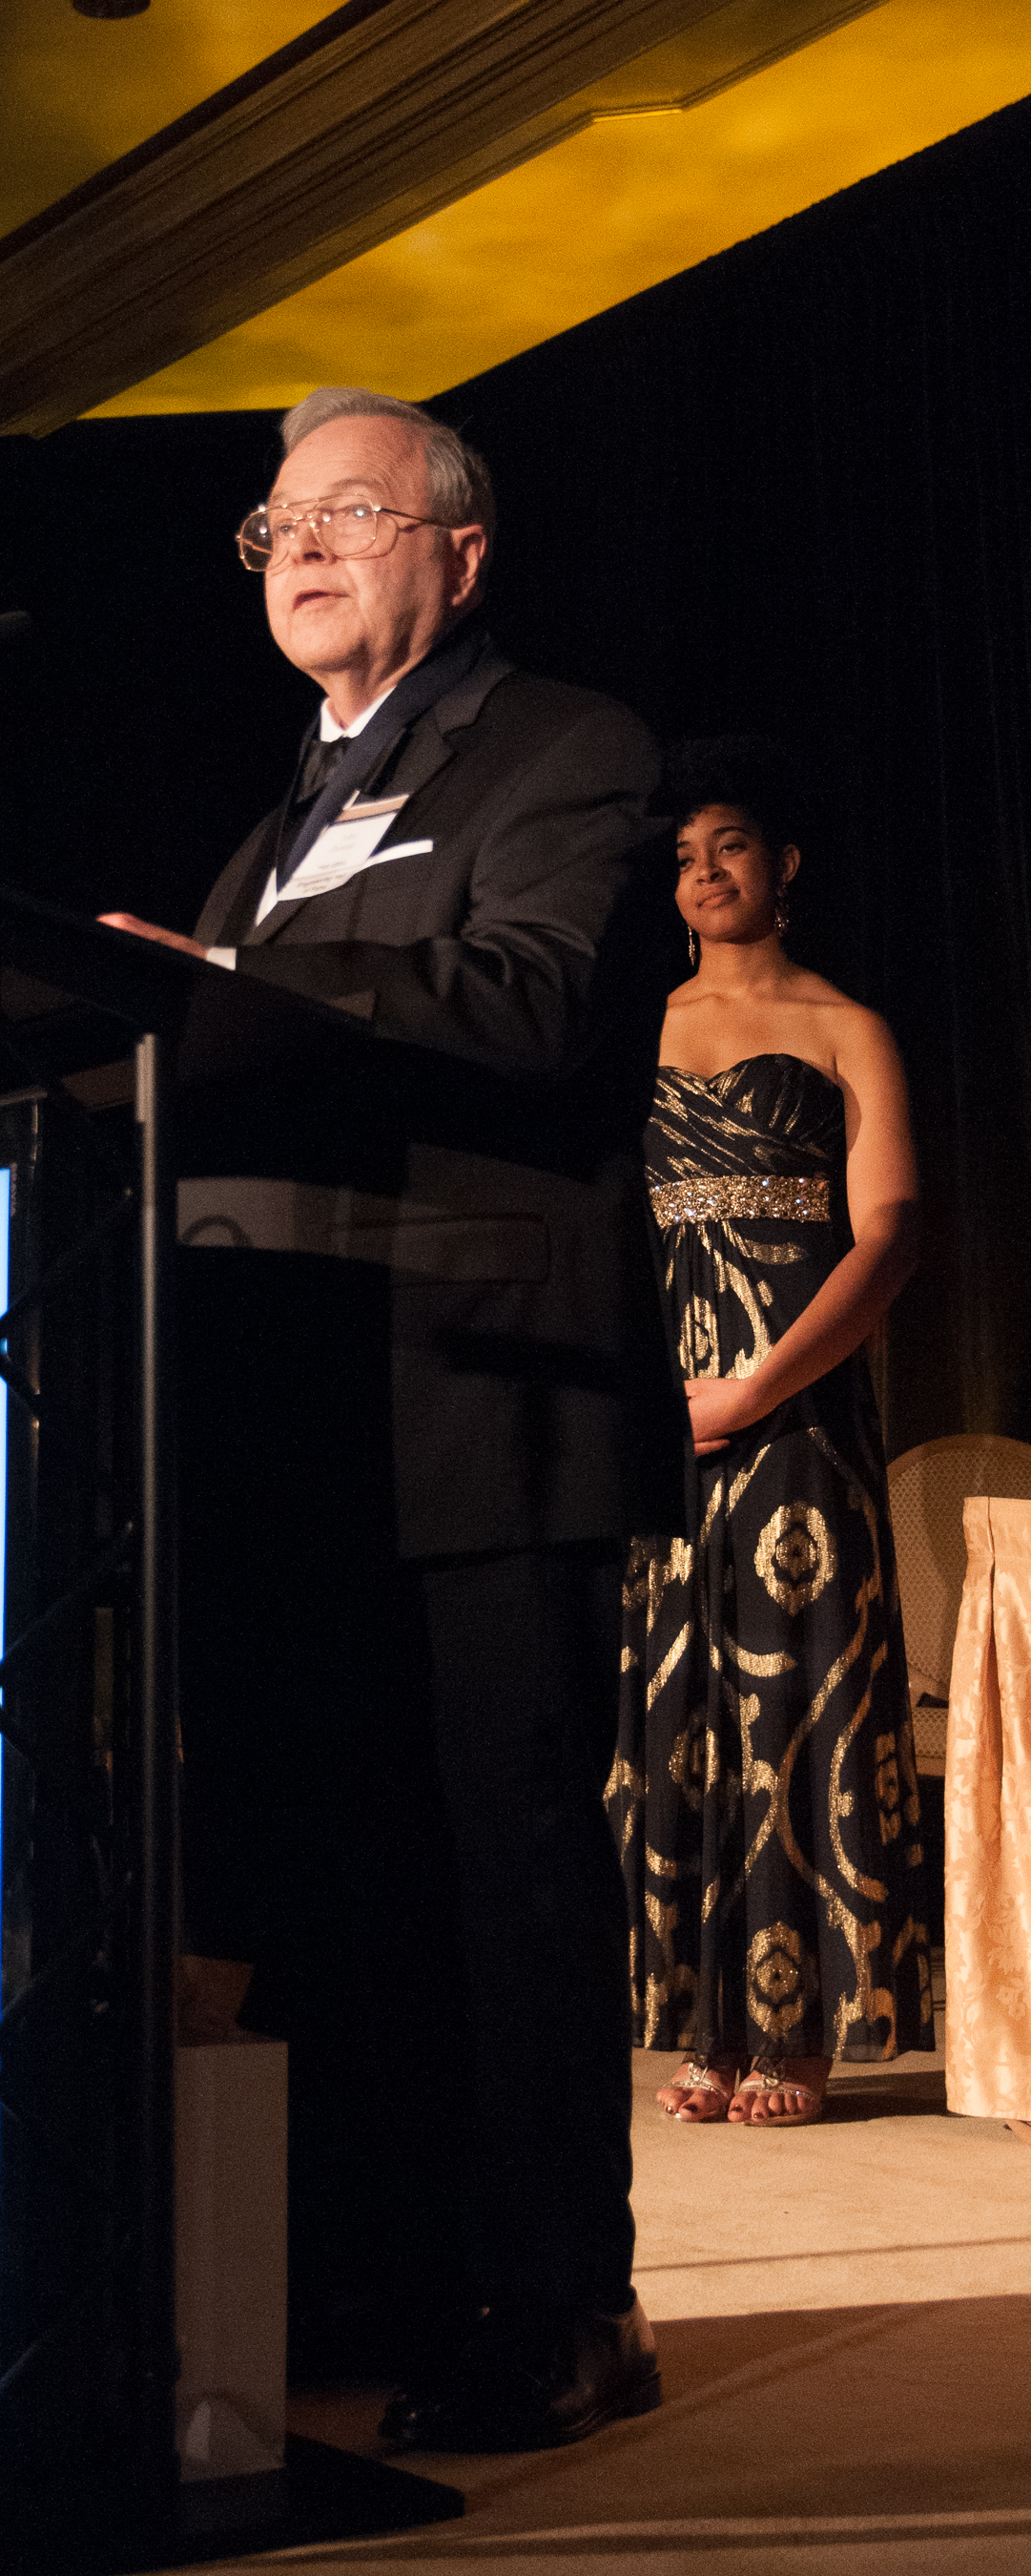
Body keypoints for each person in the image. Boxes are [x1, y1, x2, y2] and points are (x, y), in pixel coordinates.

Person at [101, 385, 688, 2451]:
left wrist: (251, 994)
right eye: (277, 526)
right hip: (289, 1417)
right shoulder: (276, 822)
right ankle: (374, 2264)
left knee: (502, 1867)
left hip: (478, 1402)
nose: (308, 548)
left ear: (462, 549)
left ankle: (563, 2302)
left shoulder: (566, 748)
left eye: (352, 509)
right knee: (337, 1867)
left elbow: (532, 1007)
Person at [610, 738, 931, 2129]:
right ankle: (702, 2020)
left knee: (799, 1690)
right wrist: (649, 1387)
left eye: (728, 846)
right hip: (661, 1396)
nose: (703, 874)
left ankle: (798, 2032)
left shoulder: (847, 1024)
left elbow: (891, 1234)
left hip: (794, 1399)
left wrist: (759, 1386)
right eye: (682, 857)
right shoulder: (632, 1024)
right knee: (678, 1702)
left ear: (782, 862)